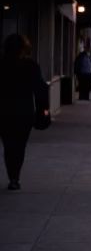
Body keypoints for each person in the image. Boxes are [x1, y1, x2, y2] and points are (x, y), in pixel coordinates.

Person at [0, 34, 50, 191]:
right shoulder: (31, 66)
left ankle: (12, 174)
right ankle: (14, 177)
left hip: (4, 111)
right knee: (19, 145)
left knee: (8, 145)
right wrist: (45, 111)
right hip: (24, 112)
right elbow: (41, 90)